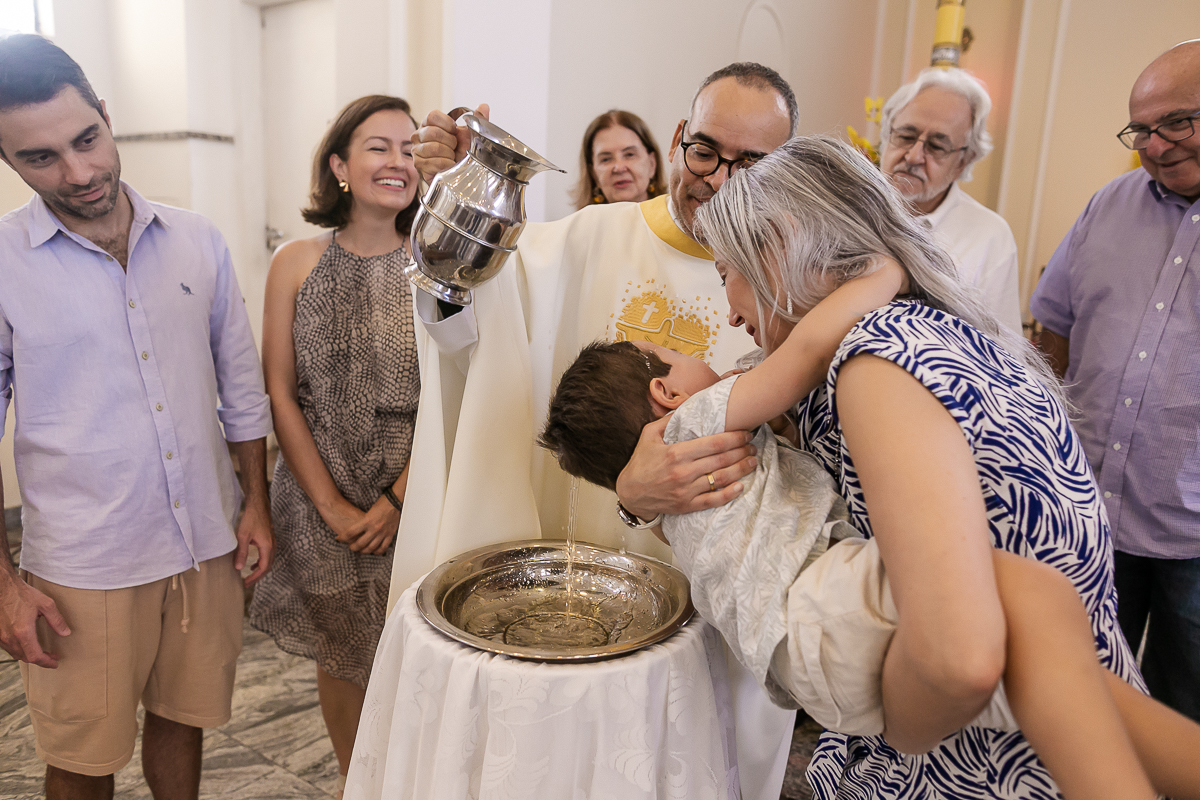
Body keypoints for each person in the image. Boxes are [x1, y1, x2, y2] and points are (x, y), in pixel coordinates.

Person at [617, 133, 1152, 798]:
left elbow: (956, 662)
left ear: (781, 243)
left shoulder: (879, 359)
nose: (729, 310)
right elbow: (737, 404)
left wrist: (890, 738)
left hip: (987, 762)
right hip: (1074, 712)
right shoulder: (921, 328)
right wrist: (634, 490)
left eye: (728, 274)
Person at [541, 329, 1200, 799]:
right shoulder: (702, 418)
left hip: (810, 666)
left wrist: (629, 490)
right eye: (686, 355)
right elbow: (799, 355)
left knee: (1066, 684)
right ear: (664, 390)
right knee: (1037, 600)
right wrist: (883, 270)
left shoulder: (661, 492)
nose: (724, 333)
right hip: (821, 608)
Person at [392, 62, 798, 800]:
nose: (721, 180)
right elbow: (468, 338)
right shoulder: (577, 242)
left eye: (754, 163)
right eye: (706, 151)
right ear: (677, 140)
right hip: (569, 608)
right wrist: (462, 220)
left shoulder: (794, 288)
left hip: (717, 624)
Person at [0, 35, 273, 800]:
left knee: (182, 721)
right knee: (84, 761)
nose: (80, 172)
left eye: (87, 139)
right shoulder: (5, 263)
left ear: (107, 116)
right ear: (8, 160)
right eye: (40, 157)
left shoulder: (197, 241)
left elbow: (241, 391)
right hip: (84, 567)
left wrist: (255, 502)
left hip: (203, 546)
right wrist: (3, 587)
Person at [248, 95, 421, 798]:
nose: (398, 161)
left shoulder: (438, 266)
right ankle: (358, 785)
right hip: (318, 492)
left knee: (415, 653)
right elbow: (281, 392)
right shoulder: (295, 262)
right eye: (378, 146)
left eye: (411, 148)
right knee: (341, 653)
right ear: (340, 165)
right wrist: (333, 507)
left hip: (415, 490)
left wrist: (392, 501)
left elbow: (460, 392)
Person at [1029, 39, 1200, 723]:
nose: (1153, 146)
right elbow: (1052, 326)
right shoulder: (1108, 204)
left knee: (1185, 710)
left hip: (1193, 534)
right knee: (1080, 699)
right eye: (1140, 129)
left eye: (1177, 123)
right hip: (1090, 512)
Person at [878, 67, 1022, 332]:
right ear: (887, 134)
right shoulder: (843, 207)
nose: (913, 157)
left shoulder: (990, 237)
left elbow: (1004, 349)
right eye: (906, 136)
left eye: (936, 146)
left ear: (963, 161)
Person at [572, 109, 665, 208]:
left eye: (629, 155)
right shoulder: (581, 223)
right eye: (606, 159)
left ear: (652, 164)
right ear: (593, 174)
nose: (619, 168)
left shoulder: (678, 222)